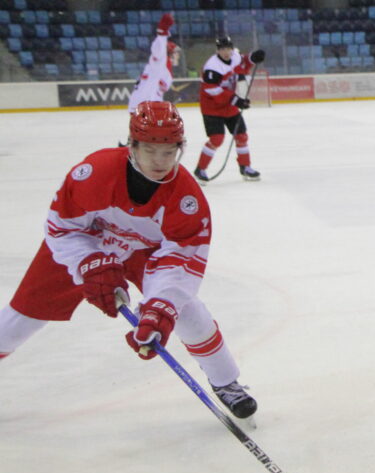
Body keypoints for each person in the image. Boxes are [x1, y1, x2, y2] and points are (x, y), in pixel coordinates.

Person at [0, 102, 257, 420]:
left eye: (169, 151)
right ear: (131, 145)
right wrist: (88, 261)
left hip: (145, 251)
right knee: (22, 318)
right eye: (150, 150)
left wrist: (160, 305)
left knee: (187, 312)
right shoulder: (94, 172)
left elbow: (181, 260)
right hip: (85, 241)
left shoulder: (187, 198)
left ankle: (226, 383)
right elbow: (61, 227)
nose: (160, 161)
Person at [193, 36, 266, 183]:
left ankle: (245, 167)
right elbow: (211, 89)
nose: (226, 52)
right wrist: (236, 100)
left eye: (228, 48)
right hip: (212, 107)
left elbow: (243, 61)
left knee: (241, 136)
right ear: (217, 50)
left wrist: (253, 57)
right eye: (222, 49)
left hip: (228, 106)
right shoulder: (212, 67)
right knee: (216, 139)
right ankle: (200, 169)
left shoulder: (235, 56)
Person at [127, 13, 180, 114]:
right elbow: (158, 51)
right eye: (176, 53)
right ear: (169, 53)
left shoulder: (164, 67)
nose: (178, 56)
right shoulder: (160, 63)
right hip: (144, 107)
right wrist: (162, 33)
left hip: (146, 105)